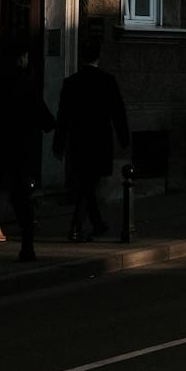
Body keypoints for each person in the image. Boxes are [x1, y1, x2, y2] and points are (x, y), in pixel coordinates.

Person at [53, 31, 129, 242]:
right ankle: (76, 228)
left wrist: (58, 145)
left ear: (81, 56)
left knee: (87, 182)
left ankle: (97, 223)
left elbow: (63, 117)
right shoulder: (107, 81)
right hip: (99, 142)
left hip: (78, 141)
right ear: (98, 56)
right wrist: (124, 139)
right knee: (89, 185)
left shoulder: (71, 83)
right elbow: (118, 112)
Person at [0, 39, 54, 262]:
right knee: (20, 197)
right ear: (20, 58)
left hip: (1, 145)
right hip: (20, 147)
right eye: (25, 56)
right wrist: (48, 123)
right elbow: (41, 114)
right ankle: (25, 245)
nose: (27, 60)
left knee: (7, 187)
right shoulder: (24, 83)